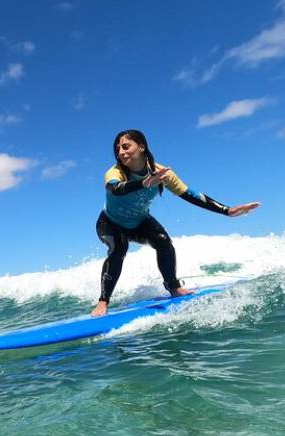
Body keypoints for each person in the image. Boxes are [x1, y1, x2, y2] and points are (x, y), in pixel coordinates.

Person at [91, 130, 260, 317]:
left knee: (163, 240)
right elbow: (116, 189)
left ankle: (174, 288)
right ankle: (103, 302)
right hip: (110, 223)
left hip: (139, 222)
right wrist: (144, 183)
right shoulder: (114, 172)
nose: (121, 152)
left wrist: (227, 210)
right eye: (118, 149)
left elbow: (190, 194)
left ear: (141, 146)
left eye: (126, 146)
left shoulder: (162, 173)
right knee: (119, 247)